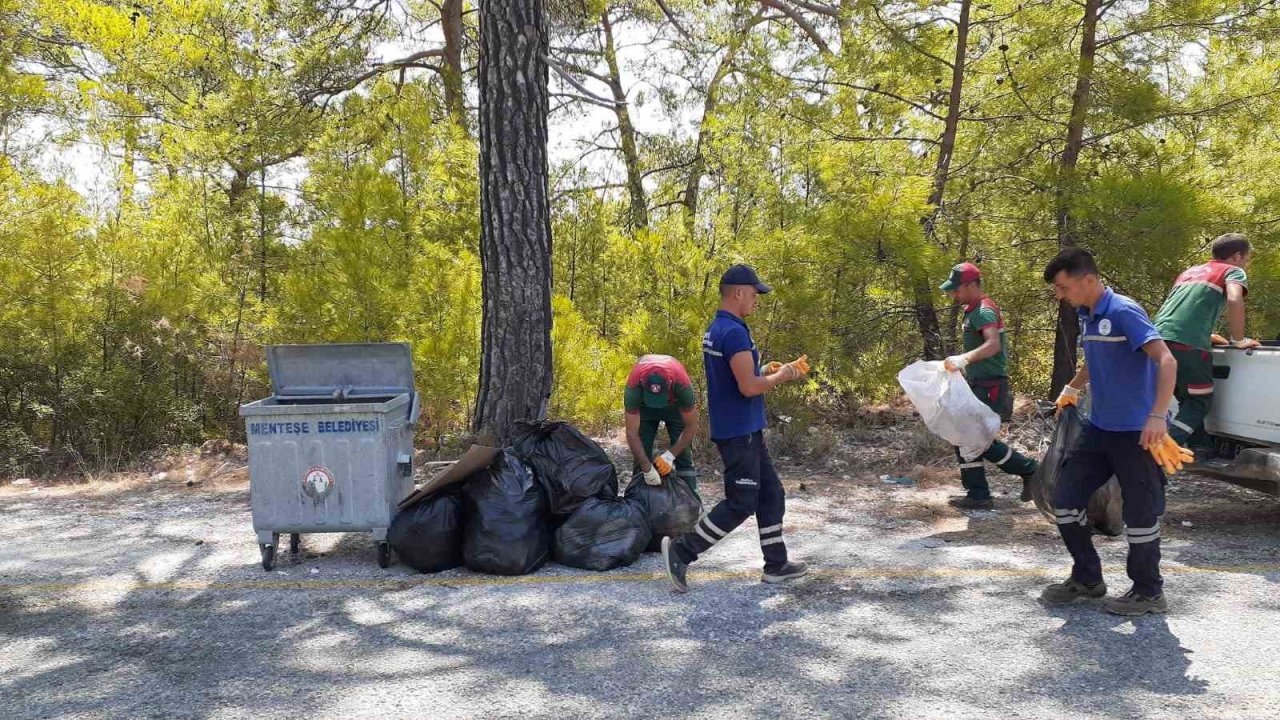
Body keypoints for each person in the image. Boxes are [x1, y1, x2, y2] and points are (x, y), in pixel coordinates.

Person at [1041, 248, 1188, 616]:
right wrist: (1071, 388)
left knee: (1140, 515)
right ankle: (1087, 579)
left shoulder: (1123, 311)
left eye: (1063, 287)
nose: (1059, 295)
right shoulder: (1086, 314)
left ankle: (1149, 592)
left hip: (1137, 433)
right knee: (1064, 498)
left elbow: (1166, 359)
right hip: (1099, 429)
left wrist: (1157, 416)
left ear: (1088, 280)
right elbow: (1094, 359)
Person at [662, 264, 809, 593]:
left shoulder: (718, 328)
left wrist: (763, 369)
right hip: (739, 431)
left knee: (771, 494)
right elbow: (749, 387)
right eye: (755, 294)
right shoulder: (735, 332)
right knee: (742, 501)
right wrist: (783, 374)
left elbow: (738, 375)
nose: (757, 300)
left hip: (742, 428)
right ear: (739, 293)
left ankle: (776, 564)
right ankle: (682, 552)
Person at [938, 262, 1039, 509]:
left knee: (974, 439)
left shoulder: (983, 311)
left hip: (990, 386)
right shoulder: (973, 310)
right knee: (967, 437)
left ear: (971, 285)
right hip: (978, 384)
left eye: (957, 289)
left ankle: (1026, 471)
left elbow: (993, 344)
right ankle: (981, 492)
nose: (954, 295)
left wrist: (965, 359)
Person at [1152, 233, 1257, 457]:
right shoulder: (1232, 271)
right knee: (1200, 400)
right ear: (1237, 256)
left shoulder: (1190, 272)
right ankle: (1160, 450)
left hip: (1157, 339)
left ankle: (1200, 446)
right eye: (1246, 258)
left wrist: (1205, 333)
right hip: (1188, 344)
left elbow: (1180, 309)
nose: (1246, 264)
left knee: (1187, 398)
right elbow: (1234, 299)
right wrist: (1239, 340)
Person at [624, 354, 700, 497]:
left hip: (675, 405)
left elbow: (691, 426)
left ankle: (692, 502)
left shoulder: (682, 384)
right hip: (645, 407)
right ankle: (637, 502)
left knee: (683, 455)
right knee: (642, 450)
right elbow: (632, 433)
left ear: (670, 384)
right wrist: (646, 467)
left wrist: (670, 455)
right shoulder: (634, 386)